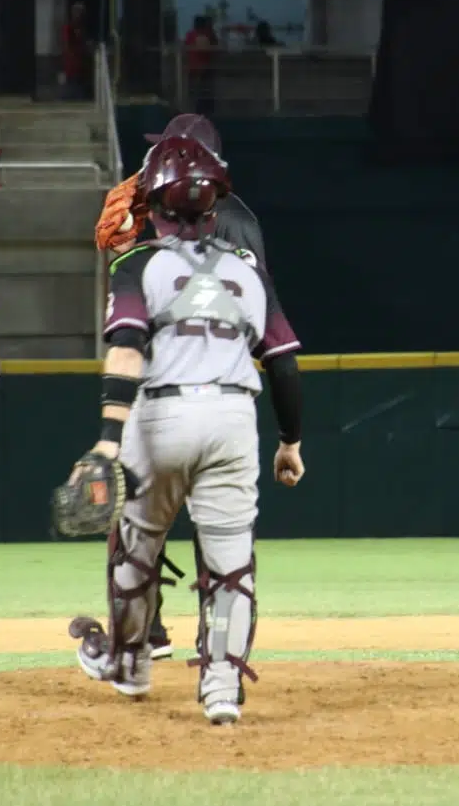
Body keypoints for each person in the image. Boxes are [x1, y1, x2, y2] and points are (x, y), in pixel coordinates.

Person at [69, 135, 304, 725]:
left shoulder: (136, 263)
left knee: (137, 546)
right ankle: (222, 686)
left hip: (162, 418)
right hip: (233, 420)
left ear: (153, 201)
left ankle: (129, 663)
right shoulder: (247, 270)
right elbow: (284, 362)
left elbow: (126, 350)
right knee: (231, 563)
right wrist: (291, 441)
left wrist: (106, 437)